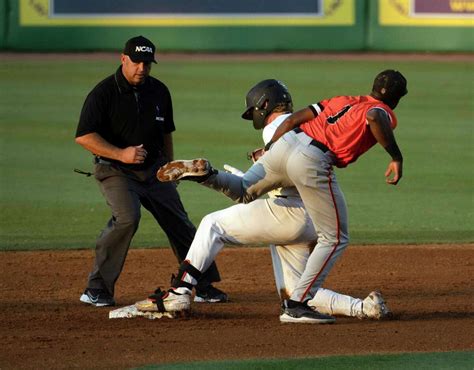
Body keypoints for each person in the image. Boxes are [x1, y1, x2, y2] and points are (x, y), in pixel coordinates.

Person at [135, 77, 399, 323]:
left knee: (214, 222)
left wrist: (269, 157)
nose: (255, 118)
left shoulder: (280, 126)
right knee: (299, 293)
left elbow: (295, 163)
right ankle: (363, 308)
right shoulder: (312, 122)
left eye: (254, 112)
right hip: (306, 215)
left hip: (289, 212)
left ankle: (181, 289)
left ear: (263, 106)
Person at [75, 35, 227, 307]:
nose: (142, 68)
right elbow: (84, 136)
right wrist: (121, 153)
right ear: (123, 59)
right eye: (136, 62)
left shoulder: (158, 91)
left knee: (179, 221)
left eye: (147, 63)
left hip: (155, 172)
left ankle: (202, 285)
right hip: (116, 170)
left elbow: (166, 133)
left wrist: (171, 167)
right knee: (127, 218)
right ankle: (97, 289)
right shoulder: (104, 93)